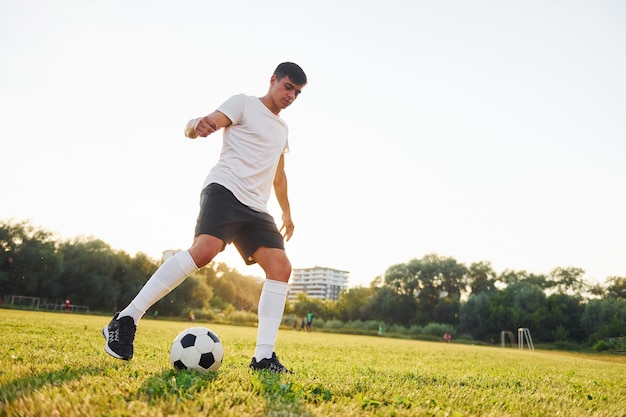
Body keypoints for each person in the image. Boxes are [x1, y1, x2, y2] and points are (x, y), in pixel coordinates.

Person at [102, 62, 307, 374]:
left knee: (281, 267)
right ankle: (127, 318)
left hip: (256, 208)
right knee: (206, 249)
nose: (291, 95)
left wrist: (287, 214)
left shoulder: (283, 130)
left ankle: (263, 358)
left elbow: (279, 177)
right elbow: (198, 124)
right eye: (288, 87)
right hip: (225, 189)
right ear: (273, 80)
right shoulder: (244, 104)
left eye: (297, 92)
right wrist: (198, 125)